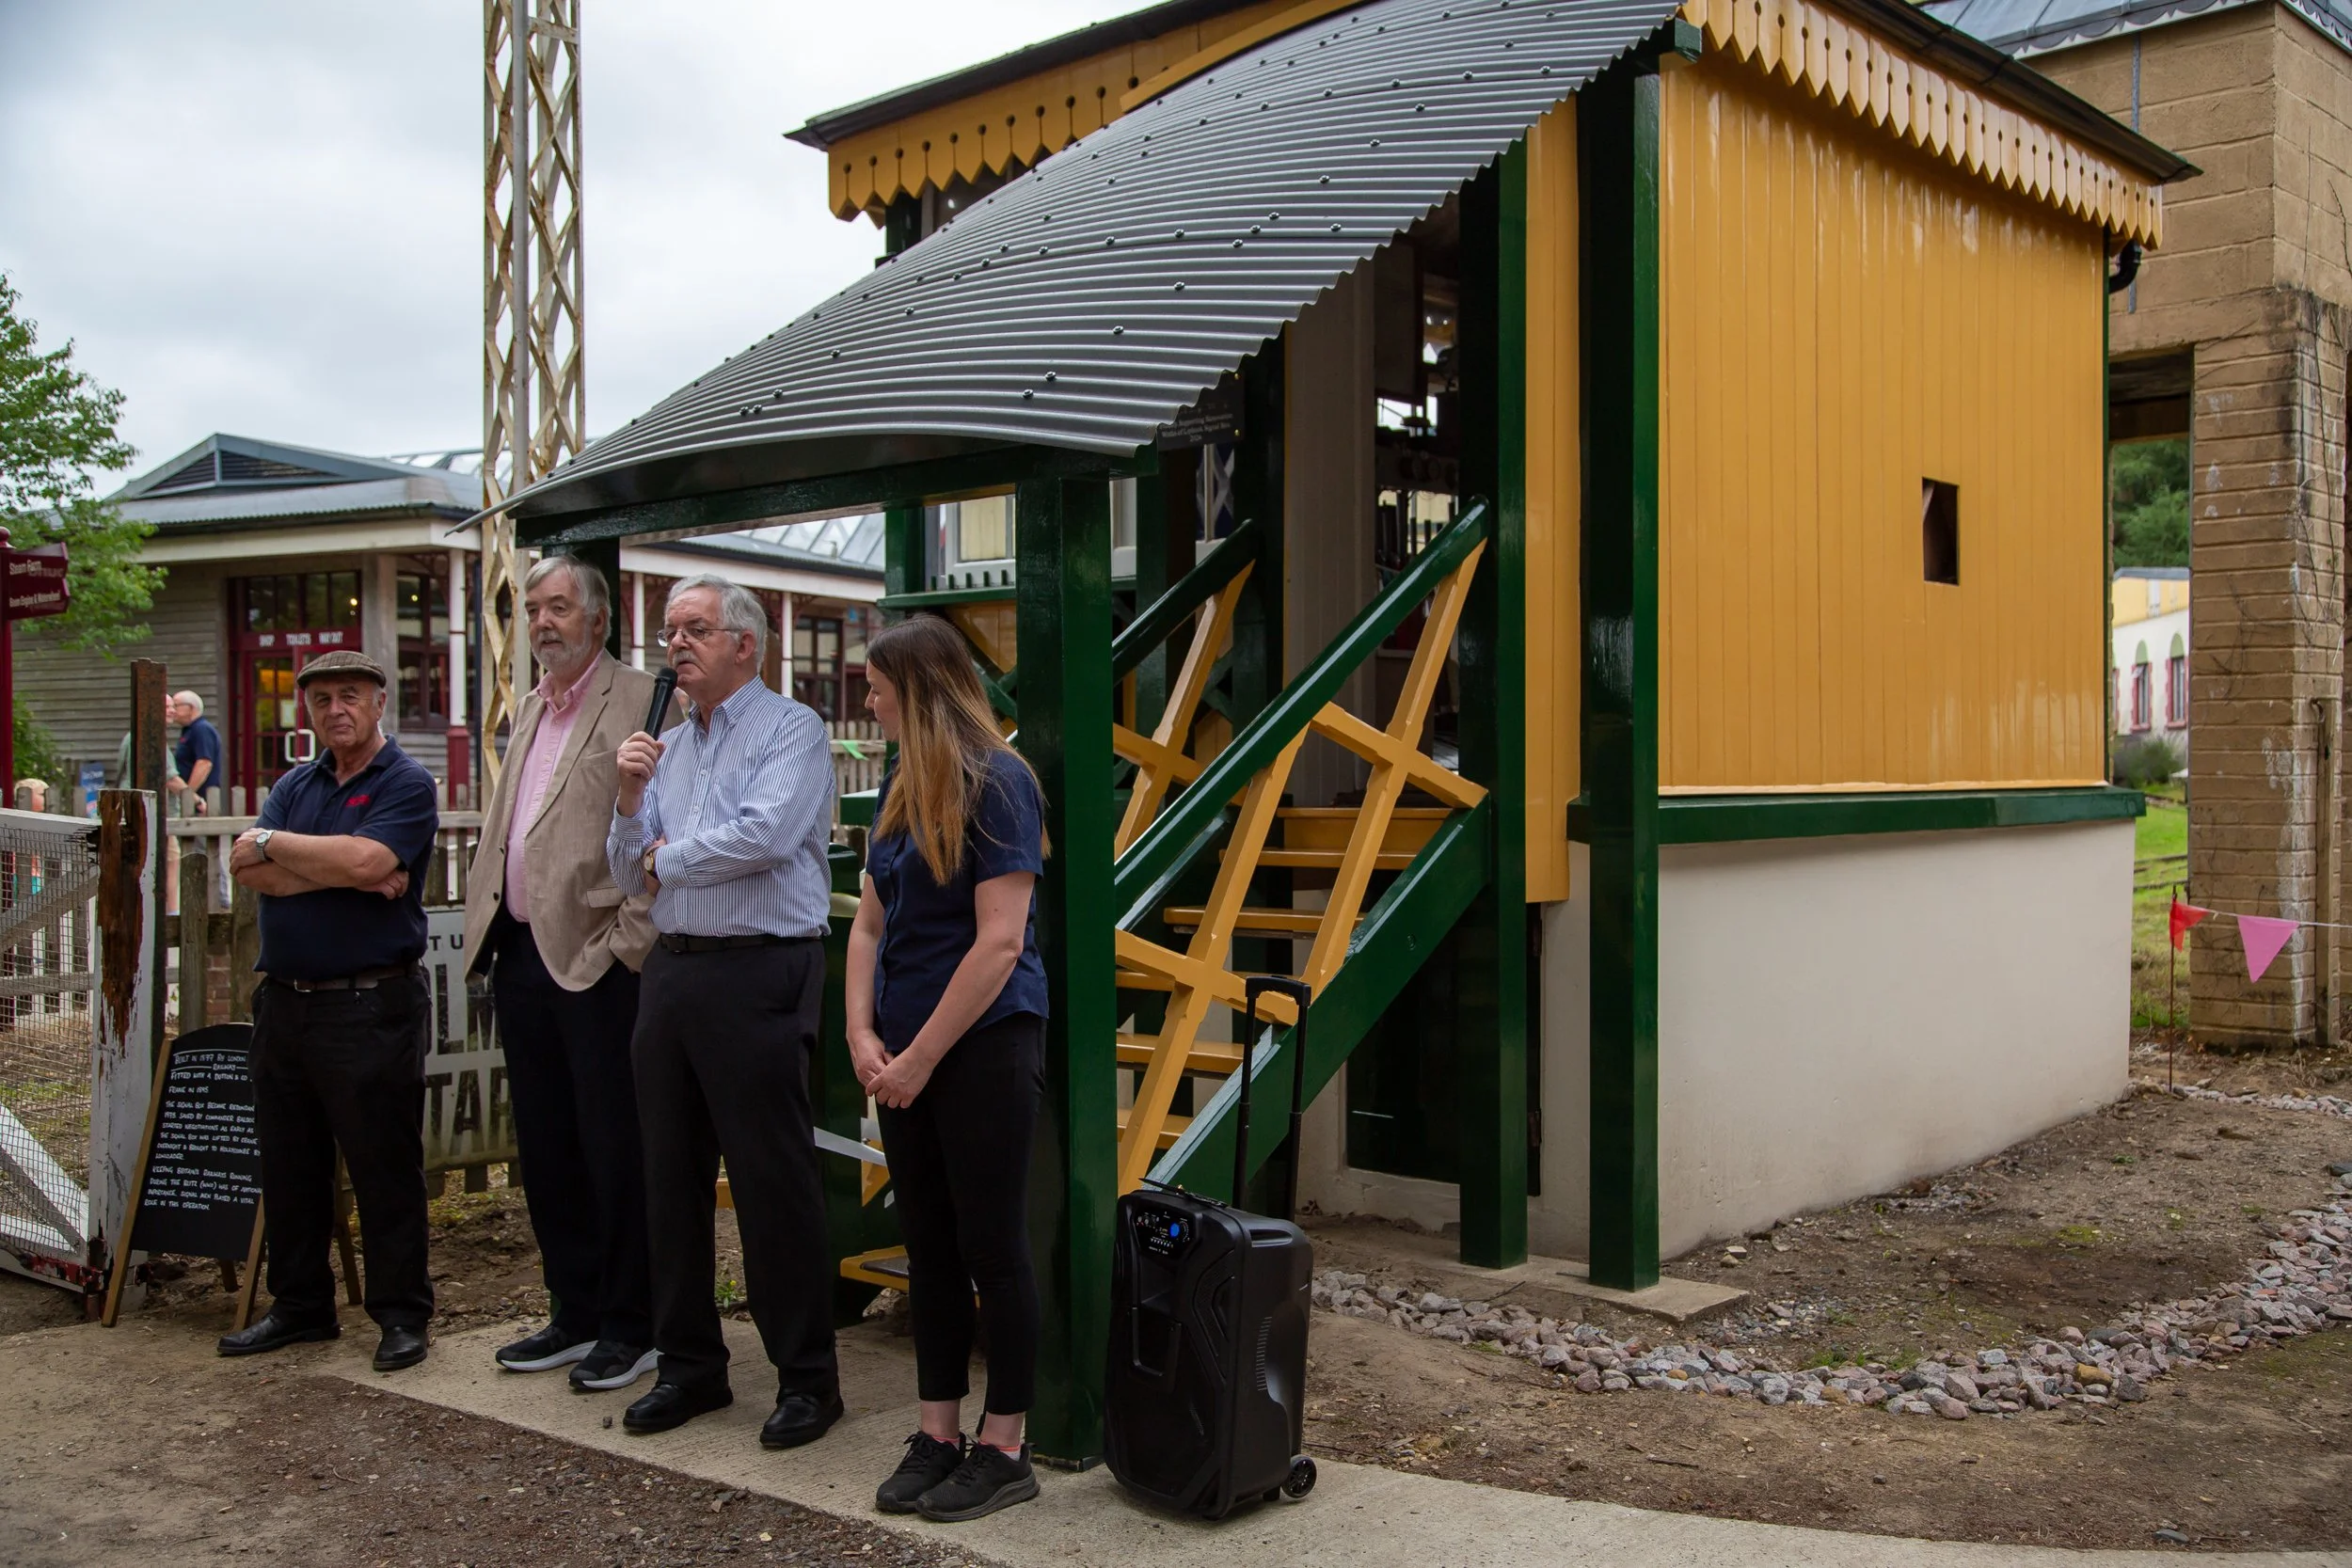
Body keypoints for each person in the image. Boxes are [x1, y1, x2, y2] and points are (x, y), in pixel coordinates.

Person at [606, 573, 841, 1447]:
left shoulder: (795, 730)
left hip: (759, 970)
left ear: (746, 642)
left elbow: (766, 835)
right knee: (668, 1177)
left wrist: (671, 857)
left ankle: (808, 1379)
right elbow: (628, 871)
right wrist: (630, 803)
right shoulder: (667, 745)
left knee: (770, 1179)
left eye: (696, 628)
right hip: (671, 972)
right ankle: (690, 1367)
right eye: (670, 631)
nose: (677, 644)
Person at [847, 613, 1049, 1523]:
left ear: (917, 687)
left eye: (878, 682)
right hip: (901, 1062)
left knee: (991, 1248)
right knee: (927, 1247)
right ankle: (936, 1431)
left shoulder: (1001, 784)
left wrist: (920, 1057)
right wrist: (861, 1035)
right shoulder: (899, 781)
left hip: (982, 1047)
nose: (869, 696)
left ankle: (1004, 1444)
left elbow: (1000, 943)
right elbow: (868, 924)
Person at [464, 555, 673, 1392]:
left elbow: (663, 830)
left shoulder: (642, 700)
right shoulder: (532, 707)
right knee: (546, 1147)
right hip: (521, 952)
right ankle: (574, 1310)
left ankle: (633, 1324)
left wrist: (627, 942)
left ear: (598, 620)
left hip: (599, 958)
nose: (542, 623)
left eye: (558, 609)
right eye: (531, 610)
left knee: (614, 1146)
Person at [215, 650, 439, 1372]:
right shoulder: (295, 783)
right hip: (285, 1002)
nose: (334, 709)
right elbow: (245, 869)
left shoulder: (405, 781)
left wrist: (286, 849)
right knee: (289, 1162)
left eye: (350, 695)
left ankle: (402, 1314)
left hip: (370, 1003)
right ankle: (302, 1304)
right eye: (320, 700)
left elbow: (372, 866)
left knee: (383, 1164)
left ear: (379, 703)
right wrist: (337, 865)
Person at [169, 689, 223, 812]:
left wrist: (188, 795)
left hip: (202, 799)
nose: (173, 710)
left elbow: (204, 763)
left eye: (176, 705)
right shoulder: (189, 730)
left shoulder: (201, 729)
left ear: (191, 707)